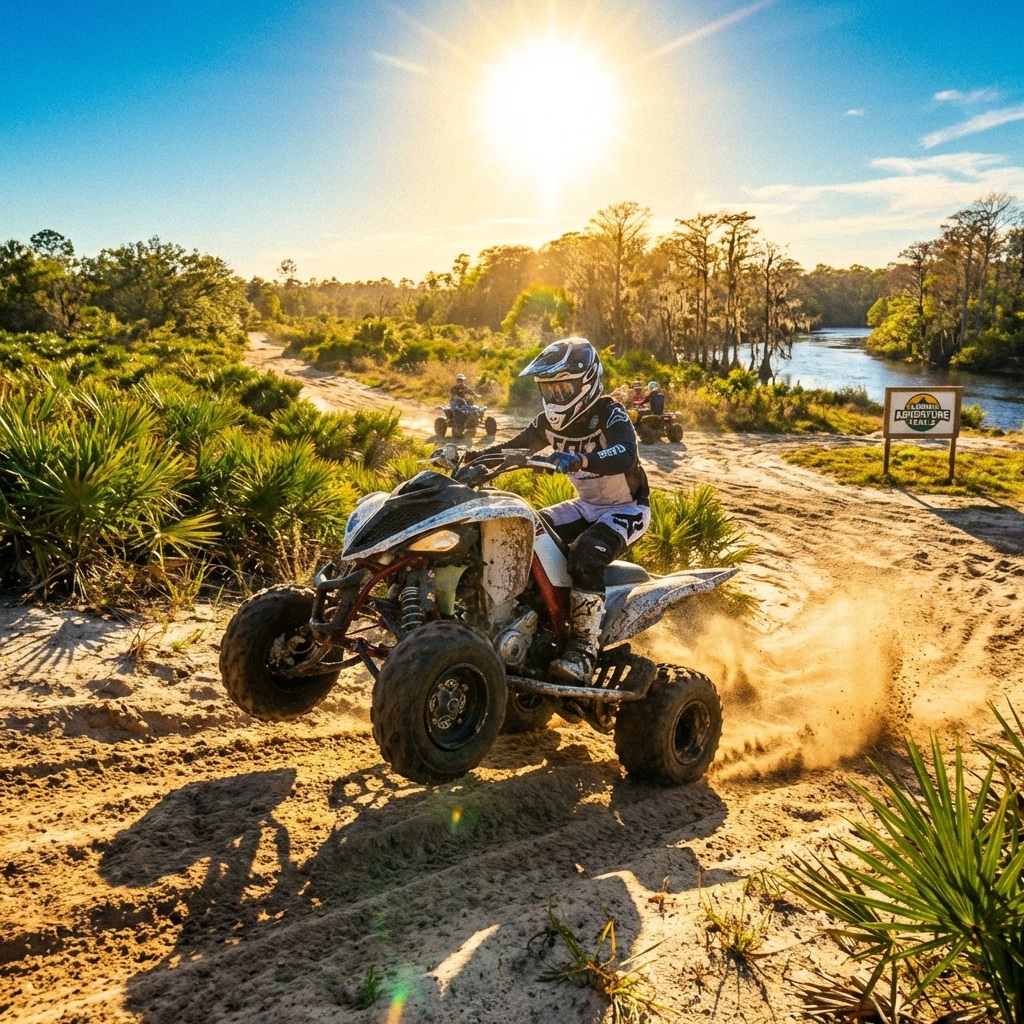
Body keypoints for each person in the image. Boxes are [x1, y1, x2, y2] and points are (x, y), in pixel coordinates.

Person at [471, 337, 650, 684]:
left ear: (587, 383)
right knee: (521, 533)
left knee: (584, 555)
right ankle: (528, 626)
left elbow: (626, 455)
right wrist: (472, 459)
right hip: (584, 506)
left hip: (626, 508)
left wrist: (581, 459)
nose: (556, 398)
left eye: (564, 388)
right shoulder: (546, 423)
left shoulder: (610, 413)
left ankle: (583, 650)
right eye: (550, 390)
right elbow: (513, 448)